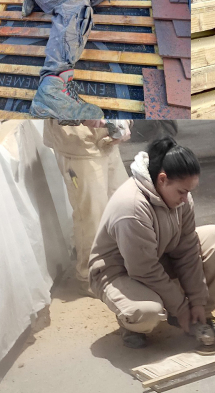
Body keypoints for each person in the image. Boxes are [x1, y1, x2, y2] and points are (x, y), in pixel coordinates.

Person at [88, 137, 215, 349]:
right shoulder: (131, 208)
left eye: (189, 191)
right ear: (163, 179)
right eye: (182, 191)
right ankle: (130, 324)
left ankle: (200, 318)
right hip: (117, 272)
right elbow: (143, 269)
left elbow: (188, 249)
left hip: (157, 256)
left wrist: (196, 301)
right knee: (146, 313)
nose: (186, 198)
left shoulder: (181, 198)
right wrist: (180, 306)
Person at [43, 119, 132, 297]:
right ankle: (90, 276)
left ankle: (119, 265)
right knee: (91, 216)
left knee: (124, 205)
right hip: (79, 145)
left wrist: (123, 119)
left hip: (107, 140)